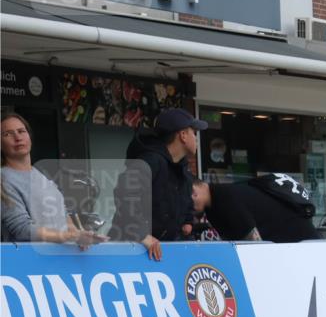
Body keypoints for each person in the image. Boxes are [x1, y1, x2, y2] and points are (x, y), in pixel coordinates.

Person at [110, 108, 203, 260]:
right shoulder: (149, 161)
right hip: (129, 251)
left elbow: (184, 204)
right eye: (194, 132)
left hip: (158, 255)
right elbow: (125, 195)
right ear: (183, 135)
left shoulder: (182, 170)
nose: (197, 138)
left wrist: (187, 221)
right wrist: (143, 235)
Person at [1, 112, 105, 247]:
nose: (17, 137)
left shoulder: (41, 175)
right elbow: (22, 229)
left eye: (21, 131)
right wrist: (69, 236)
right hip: (29, 263)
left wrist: (79, 235)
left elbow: (63, 213)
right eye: (8, 134)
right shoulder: (3, 179)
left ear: (30, 137)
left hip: (57, 263)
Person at [191, 174, 320, 242]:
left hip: (302, 243)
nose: (189, 208)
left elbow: (255, 246)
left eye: (187, 202)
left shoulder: (224, 199)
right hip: (293, 244)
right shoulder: (214, 207)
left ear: (194, 192)